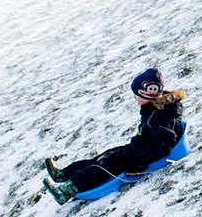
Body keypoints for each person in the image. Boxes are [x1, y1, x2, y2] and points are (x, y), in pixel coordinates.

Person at [42, 68, 186, 204]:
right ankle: (64, 174)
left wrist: (138, 157)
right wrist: (136, 144)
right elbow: (149, 134)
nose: (134, 97)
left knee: (108, 164)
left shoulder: (162, 116)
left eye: (137, 94)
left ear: (148, 93)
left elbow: (162, 146)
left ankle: (68, 189)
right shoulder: (154, 106)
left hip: (146, 156)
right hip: (141, 148)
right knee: (105, 156)